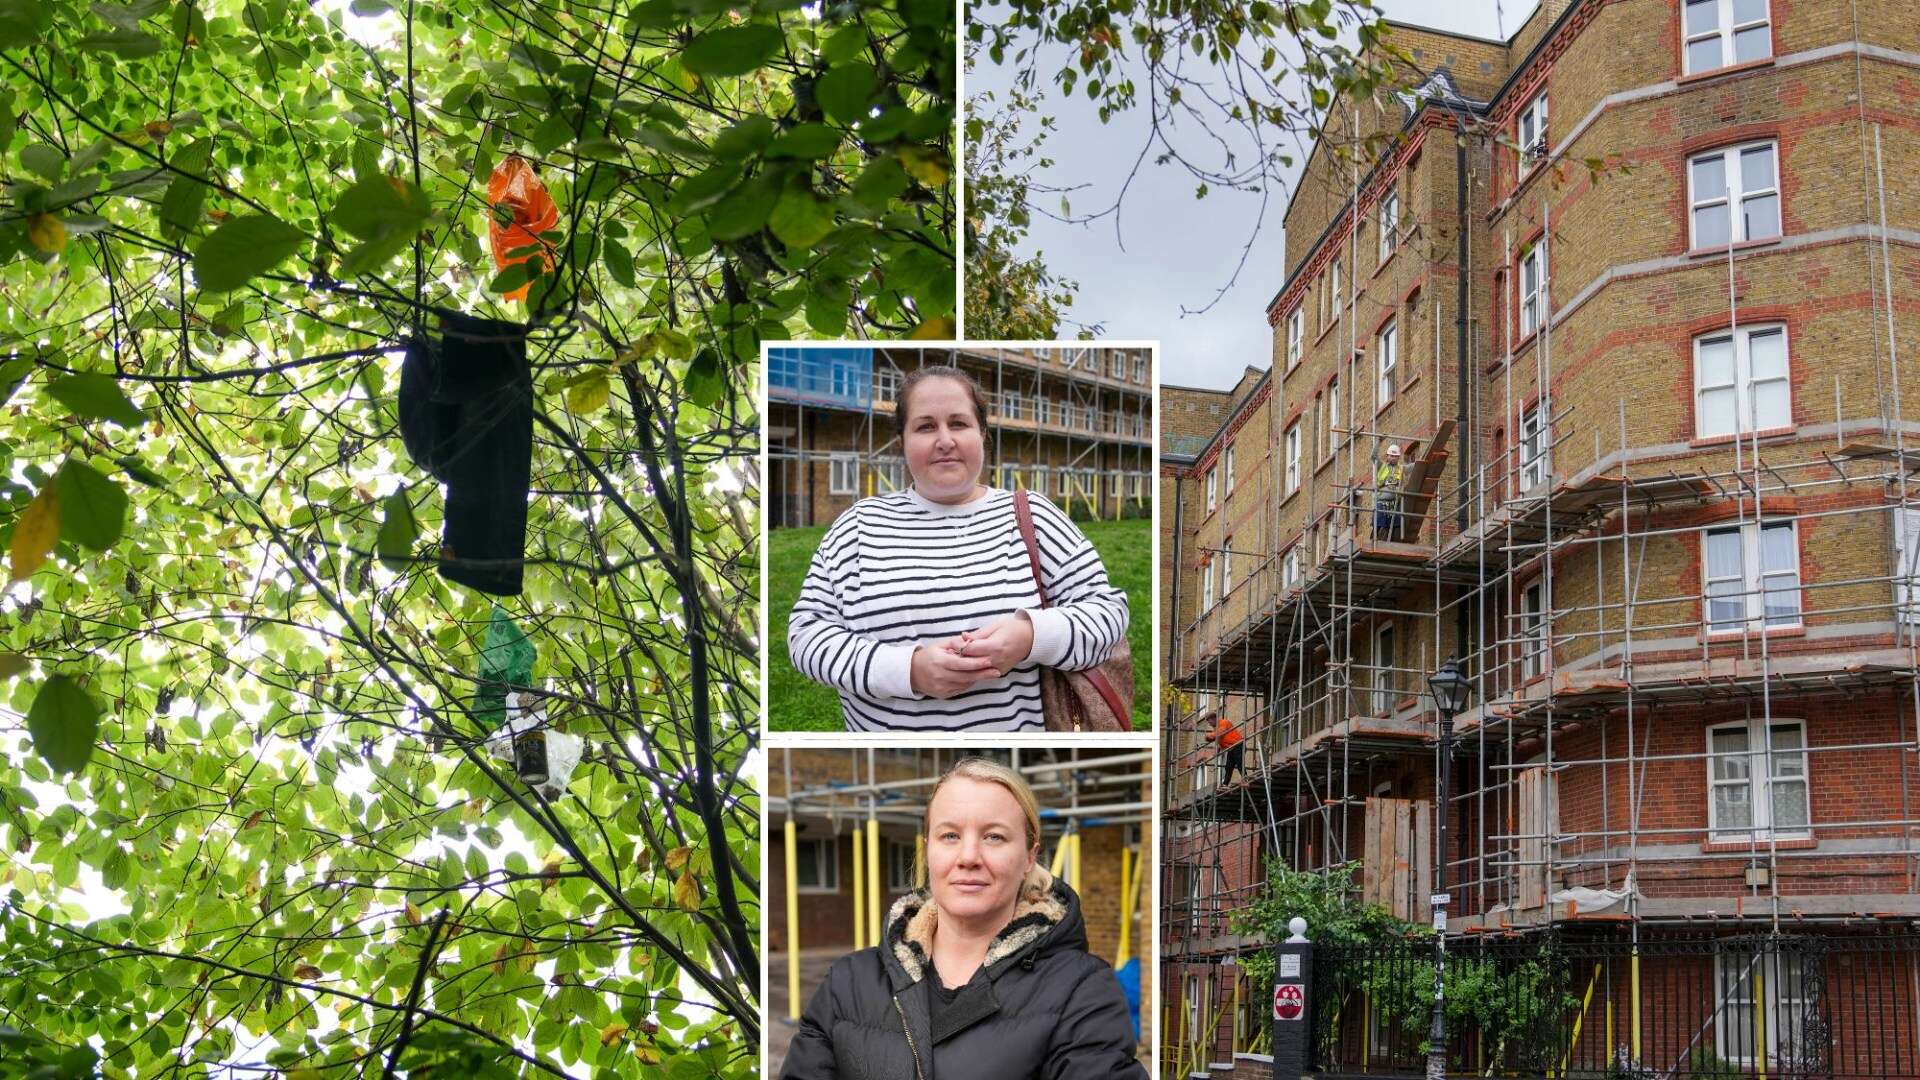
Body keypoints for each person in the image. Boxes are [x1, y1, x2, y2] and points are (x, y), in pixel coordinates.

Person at [787, 365, 1130, 732]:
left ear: (982, 433)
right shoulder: (858, 526)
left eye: (959, 423)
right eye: (925, 426)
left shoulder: (1033, 515)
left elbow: (1108, 614)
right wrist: (909, 671)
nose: (945, 440)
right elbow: (807, 635)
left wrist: (1030, 636)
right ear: (901, 441)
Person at [781, 758, 1149, 1080]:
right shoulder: (847, 984)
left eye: (994, 837)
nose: (968, 856)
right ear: (927, 851)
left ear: (1028, 857)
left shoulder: (1080, 990)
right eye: (950, 835)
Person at [1373, 443, 1405, 541]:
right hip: (1382, 500)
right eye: (1391, 456)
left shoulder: (1401, 468)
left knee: (1396, 525)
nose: (1393, 458)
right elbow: (1373, 456)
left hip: (1395, 502)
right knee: (1379, 523)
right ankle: (1374, 539)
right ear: (1387, 456)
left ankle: (1393, 541)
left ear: (1398, 457)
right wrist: (1379, 442)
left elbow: (1414, 466)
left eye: (1395, 456)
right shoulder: (1382, 466)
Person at [1204, 712, 1244, 786]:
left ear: (1214, 718)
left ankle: (1245, 778)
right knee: (1228, 767)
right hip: (1231, 748)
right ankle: (1225, 784)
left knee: (1239, 763)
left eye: (1209, 721)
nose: (1209, 724)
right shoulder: (1216, 729)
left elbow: (1220, 733)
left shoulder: (1224, 722)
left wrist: (1208, 735)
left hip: (1238, 745)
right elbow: (1214, 739)